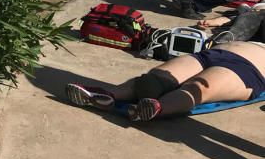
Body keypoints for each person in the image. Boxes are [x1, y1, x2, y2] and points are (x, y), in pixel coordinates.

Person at [65, 40, 265, 121]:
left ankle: (156, 107)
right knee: (151, 82)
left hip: (249, 68)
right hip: (213, 53)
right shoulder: (253, 13)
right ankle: (107, 96)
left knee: (197, 89)